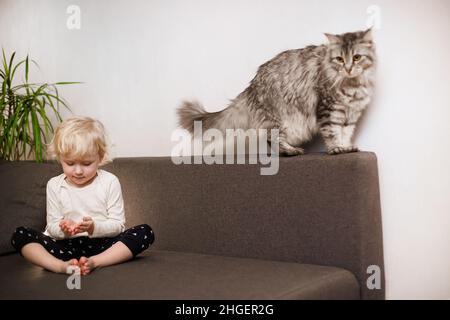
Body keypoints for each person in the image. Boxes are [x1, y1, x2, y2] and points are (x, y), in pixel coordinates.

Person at [10, 116, 154, 275]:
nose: (78, 171)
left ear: (100, 157)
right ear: (60, 158)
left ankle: (94, 262)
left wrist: (93, 227)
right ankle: (59, 266)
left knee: (145, 232)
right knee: (20, 235)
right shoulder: (54, 185)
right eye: (70, 163)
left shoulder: (110, 181)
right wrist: (64, 229)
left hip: (103, 247)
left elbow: (118, 225)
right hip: (64, 247)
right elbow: (51, 227)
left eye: (86, 164)